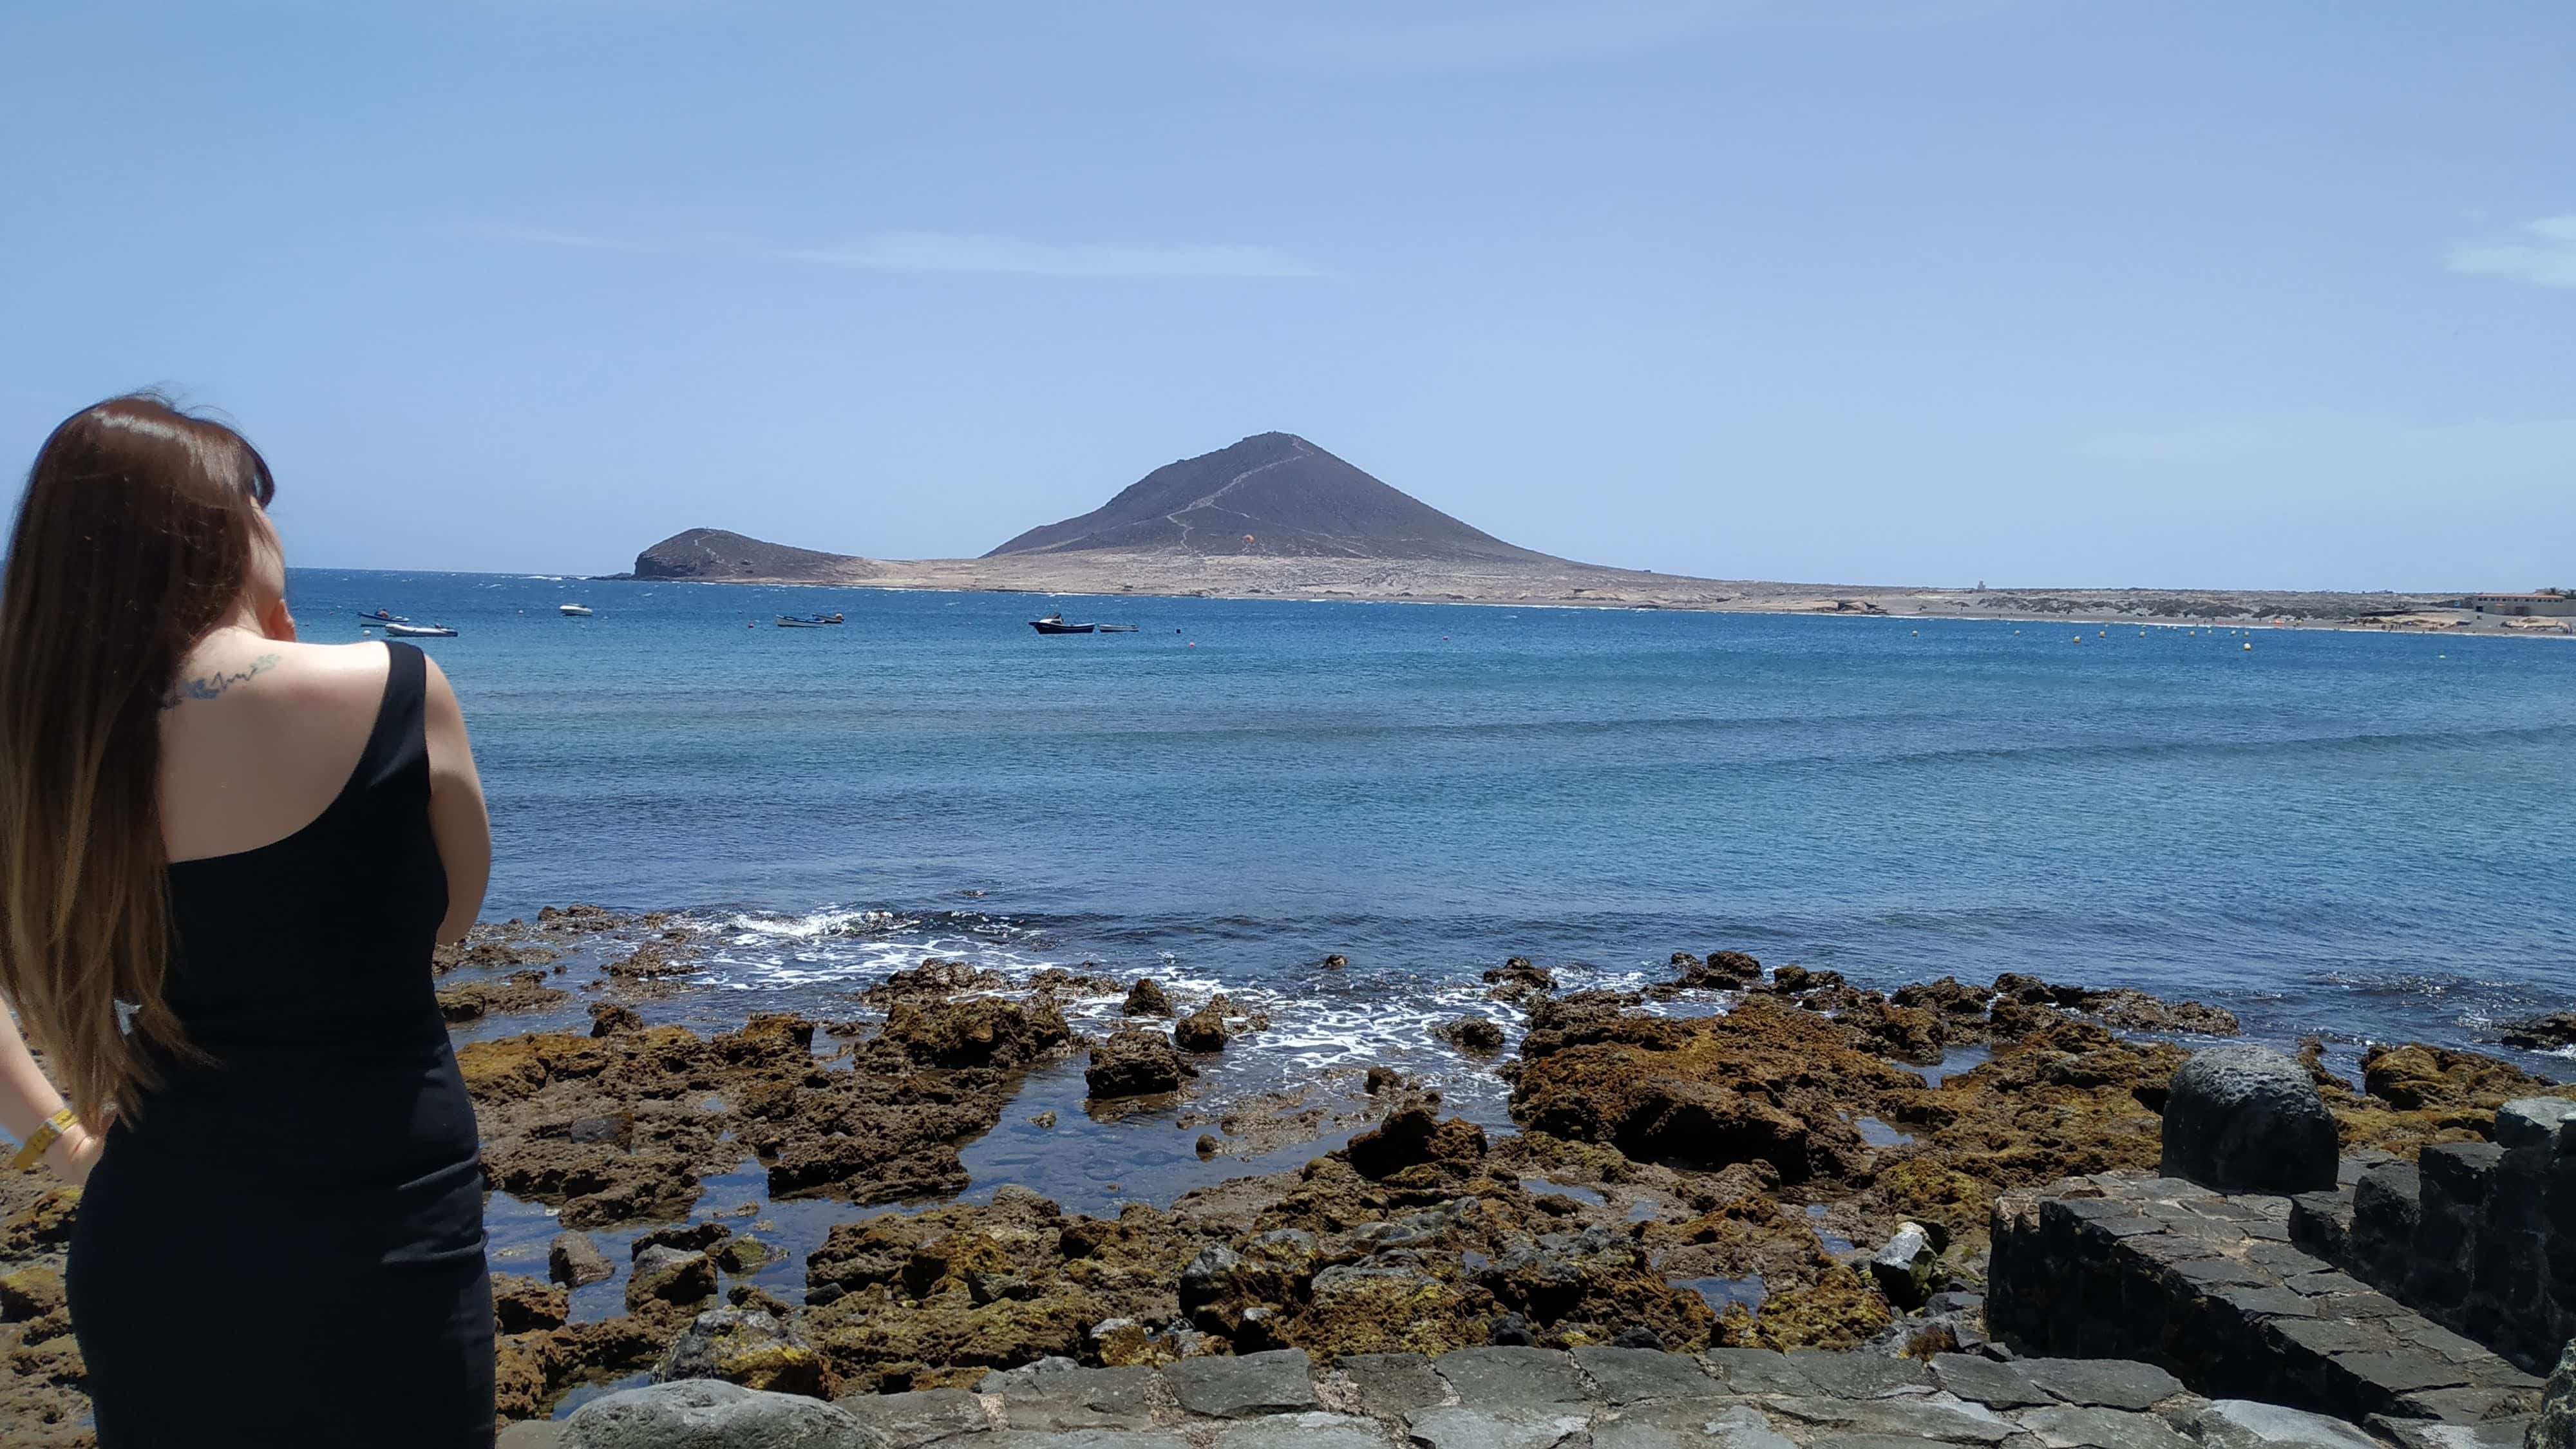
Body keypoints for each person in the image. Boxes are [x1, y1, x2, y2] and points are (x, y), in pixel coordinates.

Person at [0, 395, 497, 1446]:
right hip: (388, 1218)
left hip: (156, 1230)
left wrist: (58, 1140)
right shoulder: (395, 684)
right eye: (261, 510)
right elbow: (448, 918)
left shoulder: (50, 753)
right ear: (219, 528)